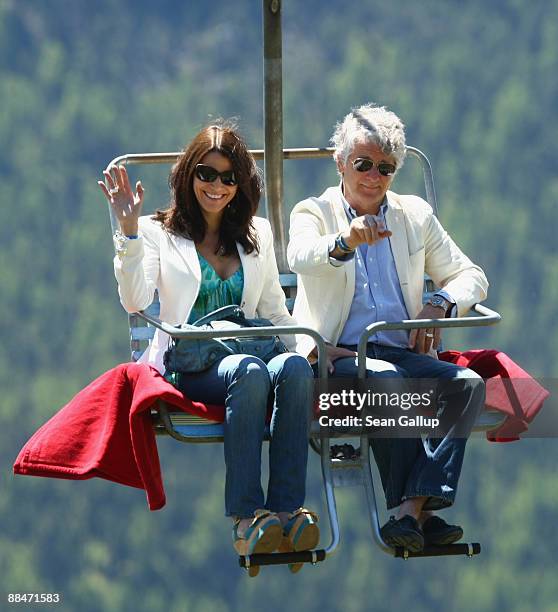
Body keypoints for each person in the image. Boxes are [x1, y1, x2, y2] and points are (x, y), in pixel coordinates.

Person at [98, 122, 318, 575]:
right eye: (206, 174)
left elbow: (274, 309)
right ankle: (245, 517)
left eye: (227, 177)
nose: (216, 186)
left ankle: (285, 513)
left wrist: (308, 350)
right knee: (249, 372)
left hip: (247, 347)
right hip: (192, 359)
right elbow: (136, 301)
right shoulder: (159, 231)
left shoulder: (255, 233)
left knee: (294, 368)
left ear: (241, 184)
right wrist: (128, 232)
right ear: (187, 176)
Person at [287, 103, 488, 552]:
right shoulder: (314, 211)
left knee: (467, 384)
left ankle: (410, 511)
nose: (373, 177)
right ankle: (419, 512)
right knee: (387, 383)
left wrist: (440, 303)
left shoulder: (412, 215)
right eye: (362, 164)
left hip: (400, 352)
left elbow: (471, 276)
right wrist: (345, 241)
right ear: (341, 163)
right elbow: (299, 255)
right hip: (338, 356)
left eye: (385, 167)